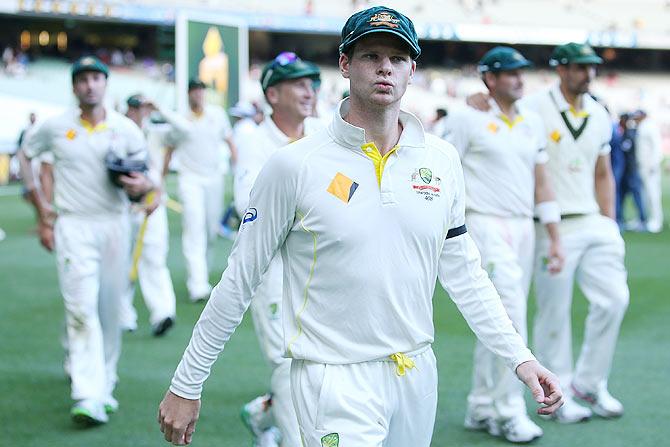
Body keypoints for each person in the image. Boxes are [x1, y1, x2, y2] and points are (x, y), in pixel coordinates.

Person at [158, 7, 562, 446]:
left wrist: (519, 358)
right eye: (370, 55)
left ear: (413, 70)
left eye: (398, 57)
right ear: (346, 65)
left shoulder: (441, 161)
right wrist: (187, 382)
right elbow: (239, 279)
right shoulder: (294, 165)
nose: (385, 67)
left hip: (415, 371)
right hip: (331, 380)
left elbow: (465, 274)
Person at [19, 56, 154, 425]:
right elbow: (26, 155)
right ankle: (87, 393)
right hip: (73, 226)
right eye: (82, 79)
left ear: (105, 84)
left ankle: (105, 382)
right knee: (80, 309)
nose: (89, 85)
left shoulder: (125, 129)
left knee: (110, 310)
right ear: (74, 86)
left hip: (114, 225)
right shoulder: (56, 126)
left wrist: (142, 186)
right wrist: (40, 205)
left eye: (96, 78)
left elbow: (148, 178)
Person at [442, 46, 564, 443]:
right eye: (509, 73)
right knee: (509, 313)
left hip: (523, 226)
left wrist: (554, 235)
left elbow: (542, 180)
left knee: (501, 316)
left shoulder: (531, 121)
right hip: (483, 223)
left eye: (521, 73)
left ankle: (481, 405)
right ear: (489, 79)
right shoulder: (466, 117)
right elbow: (444, 168)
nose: (518, 79)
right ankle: (508, 410)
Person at [521, 43, 628, 422]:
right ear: (561, 69)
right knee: (553, 311)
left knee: (614, 299)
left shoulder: (599, 113)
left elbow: (603, 172)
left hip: (592, 220)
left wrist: (610, 222)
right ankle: (558, 394)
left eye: (592, 67)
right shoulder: (533, 107)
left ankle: (590, 383)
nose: (588, 73)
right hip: (551, 224)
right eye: (581, 66)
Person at [235, 52, 322, 447]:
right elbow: (246, 204)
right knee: (289, 364)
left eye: (312, 83)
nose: (309, 91)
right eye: (299, 84)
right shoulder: (255, 143)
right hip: (274, 271)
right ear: (273, 93)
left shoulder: (326, 132)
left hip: (322, 268)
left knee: (321, 363)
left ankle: (263, 411)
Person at [161, 79, 237, 301]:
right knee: (194, 227)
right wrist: (161, 179)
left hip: (214, 178)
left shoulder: (217, 115)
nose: (198, 95)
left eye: (201, 91)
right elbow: (169, 150)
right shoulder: (180, 120)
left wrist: (238, 167)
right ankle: (197, 284)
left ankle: (202, 274)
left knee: (210, 229)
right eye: (194, 92)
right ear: (188, 95)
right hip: (189, 179)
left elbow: (230, 141)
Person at [120, 94, 177, 336]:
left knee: (155, 258)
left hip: (153, 204)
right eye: (136, 108)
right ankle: (122, 315)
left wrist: (161, 109)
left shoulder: (155, 132)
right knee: (121, 262)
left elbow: (183, 132)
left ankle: (163, 313)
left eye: (143, 108)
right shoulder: (117, 131)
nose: (139, 113)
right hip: (124, 205)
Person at [612, 113, 646, 230]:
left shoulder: (629, 135)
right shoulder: (622, 134)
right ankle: (620, 219)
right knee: (620, 197)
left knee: (637, 196)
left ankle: (642, 220)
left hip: (630, 172)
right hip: (624, 173)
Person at [635, 110, 664, 233]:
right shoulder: (642, 126)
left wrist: (654, 164)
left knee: (653, 194)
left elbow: (657, 146)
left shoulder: (650, 126)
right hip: (642, 166)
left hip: (650, 167)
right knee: (645, 194)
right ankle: (648, 219)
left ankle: (657, 220)